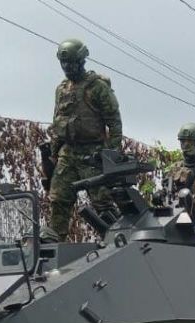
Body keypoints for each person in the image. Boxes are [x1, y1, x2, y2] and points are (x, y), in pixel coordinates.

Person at [45, 38, 123, 242]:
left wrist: (110, 155)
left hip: (93, 153)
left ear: (81, 61)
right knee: (58, 200)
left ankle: (119, 240)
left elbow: (114, 123)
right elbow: (57, 123)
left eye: (71, 62)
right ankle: (54, 242)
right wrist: (53, 156)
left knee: (102, 203)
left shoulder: (97, 87)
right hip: (68, 153)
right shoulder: (61, 89)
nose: (67, 67)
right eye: (64, 63)